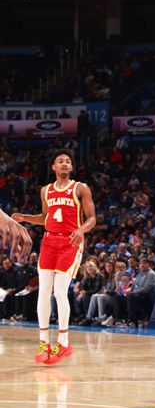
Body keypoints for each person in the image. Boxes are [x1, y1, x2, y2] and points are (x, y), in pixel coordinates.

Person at [12, 150, 96, 365]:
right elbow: (46, 218)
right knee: (43, 292)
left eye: (68, 161)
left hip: (70, 242)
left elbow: (92, 218)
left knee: (59, 292)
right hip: (49, 241)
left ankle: (64, 341)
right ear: (54, 167)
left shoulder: (80, 188)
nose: (65, 164)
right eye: (61, 161)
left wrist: (81, 230)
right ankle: (43, 343)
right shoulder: (45, 191)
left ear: (71, 167)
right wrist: (26, 218)